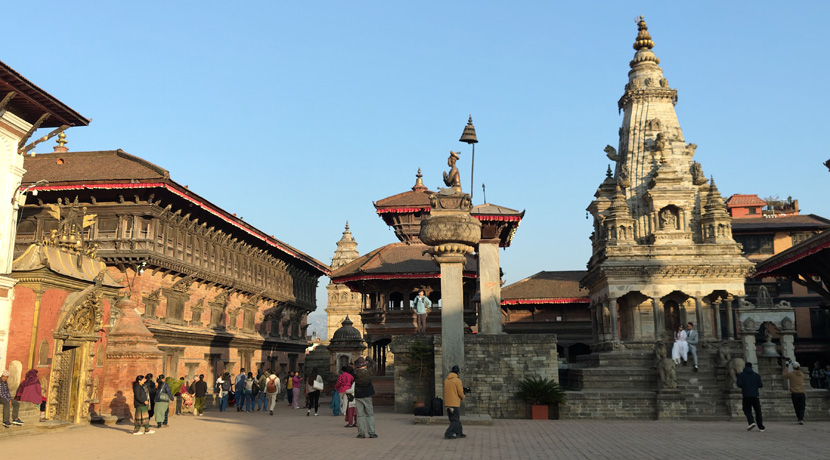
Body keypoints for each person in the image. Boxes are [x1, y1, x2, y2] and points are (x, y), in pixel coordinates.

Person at [736, 362, 765, 432]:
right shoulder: (756, 375)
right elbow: (760, 385)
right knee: (758, 411)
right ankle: (761, 427)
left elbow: (739, 384)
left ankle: (751, 421)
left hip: (746, 395)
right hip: (755, 395)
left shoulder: (741, 375)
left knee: (746, 409)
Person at [354, 357, 378, 438]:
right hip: (367, 394)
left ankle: (361, 433)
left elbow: (352, 367)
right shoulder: (369, 371)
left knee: (360, 415)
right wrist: (368, 358)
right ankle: (371, 432)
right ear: (365, 364)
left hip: (358, 394)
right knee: (369, 414)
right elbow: (374, 364)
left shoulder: (356, 373)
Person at [443, 365, 466, 440]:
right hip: (454, 403)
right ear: (457, 373)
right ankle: (448, 433)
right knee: (455, 420)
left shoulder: (446, 380)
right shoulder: (457, 380)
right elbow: (460, 392)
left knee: (455, 419)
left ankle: (459, 433)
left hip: (448, 403)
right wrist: (463, 396)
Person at [782, 360, 806, 424]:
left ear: (793, 367)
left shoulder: (791, 374)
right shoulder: (802, 375)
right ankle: (801, 418)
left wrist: (787, 367)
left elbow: (784, 375)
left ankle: (799, 418)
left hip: (794, 393)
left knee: (796, 406)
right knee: (802, 407)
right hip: (801, 392)